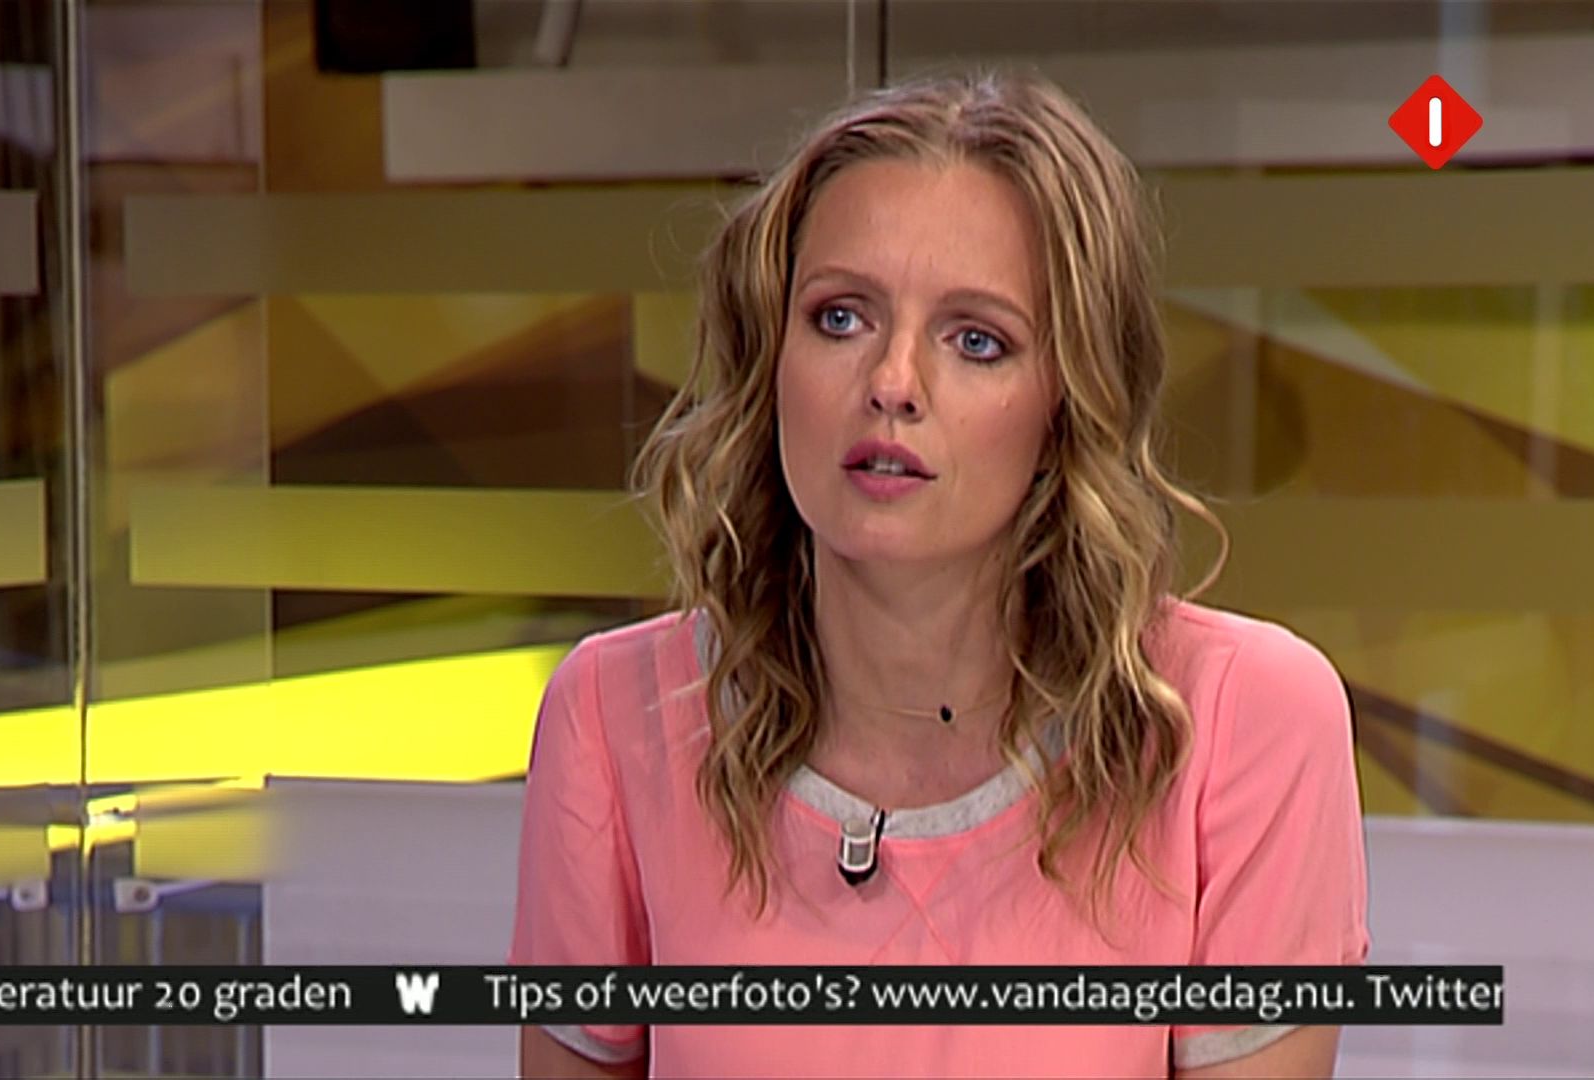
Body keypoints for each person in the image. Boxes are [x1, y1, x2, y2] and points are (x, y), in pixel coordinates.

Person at [506, 70, 1369, 1079]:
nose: (892, 383)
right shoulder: (618, 718)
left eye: (976, 341)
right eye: (840, 318)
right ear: (768, 357)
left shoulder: (1238, 725)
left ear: (1067, 401)